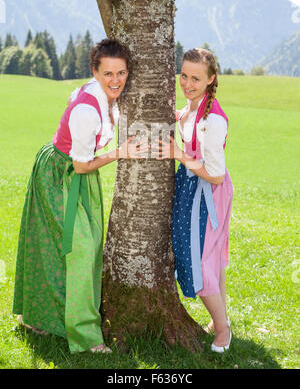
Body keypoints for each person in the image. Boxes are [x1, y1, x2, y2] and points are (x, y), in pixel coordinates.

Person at [13, 38, 148, 354]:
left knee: (69, 247)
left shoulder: (107, 95)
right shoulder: (88, 109)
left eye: (121, 73)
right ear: (95, 72)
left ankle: (41, 318)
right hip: (61, 172)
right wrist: (120, 153)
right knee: (80, 250)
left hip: (76, 173)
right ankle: (85, 336)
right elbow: (82, 163)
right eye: (108, 74)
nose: (115, 80)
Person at [153, 47, 233, 353]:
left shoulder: (213, 121)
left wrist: (178, 154)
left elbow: (214, 174)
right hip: (192, 186)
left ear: (211, 79)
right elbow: (186, 122)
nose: (187, 83)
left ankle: (223, 330)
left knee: (199, 262)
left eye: (196, 78)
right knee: (208, 260)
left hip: (209, 192)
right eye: (183, 75)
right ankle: (220, 318)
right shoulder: (191, 106)